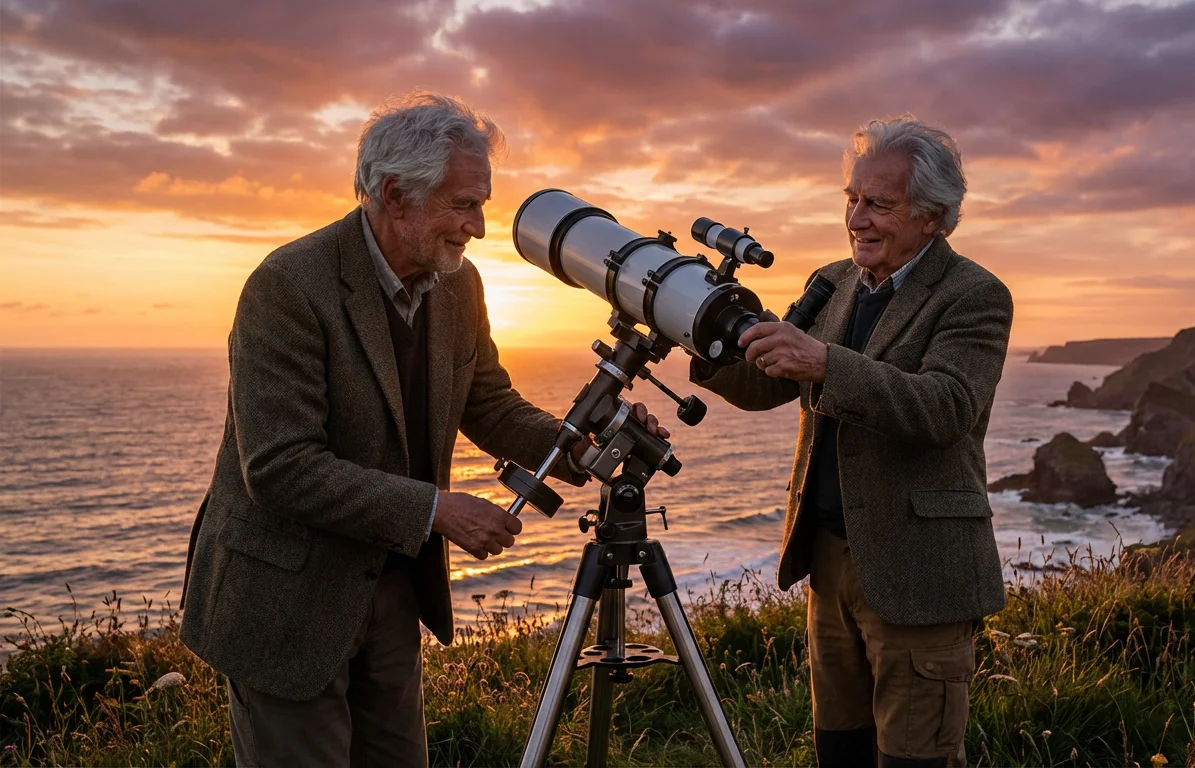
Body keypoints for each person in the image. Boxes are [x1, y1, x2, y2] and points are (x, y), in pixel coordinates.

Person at [178, 92, 666, 766]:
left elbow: (490, 405)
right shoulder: (287, 286)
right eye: (464, 204)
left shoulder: (458, 286)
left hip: (391, 588)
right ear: (395, 196)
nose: (480, 226)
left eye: (482, 203)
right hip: (285, 603)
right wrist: (437, 509)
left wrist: (584, 446)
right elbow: (281, 467)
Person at [690, 116, 1012, 768]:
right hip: (829, 565)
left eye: (878, 204)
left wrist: (826, 365)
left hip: (920, 574)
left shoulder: (975, 295)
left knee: (913, 759)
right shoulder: (832, 281)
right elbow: (764, 384)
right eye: (851, 199)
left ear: (934, 217)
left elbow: (946, 408)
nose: (857, 218)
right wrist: (698, 328)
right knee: (839, 752)